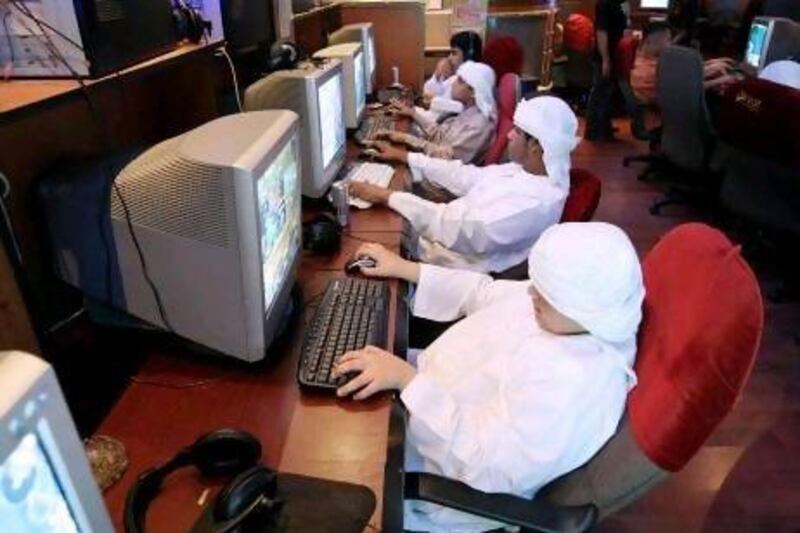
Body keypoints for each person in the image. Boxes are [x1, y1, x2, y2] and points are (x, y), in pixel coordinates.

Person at [332, 222, 645, 532]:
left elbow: (487, 464)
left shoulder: (577, 386)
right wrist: (406, 269)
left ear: (585, 308)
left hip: (433, 472)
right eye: (537, 283)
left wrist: (410, 383)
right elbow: (482, 293)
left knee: (317, 466)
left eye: (546, 294)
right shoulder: (567, 314)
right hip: (413, 399)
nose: (532, 293)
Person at [350, 96, 580, 274]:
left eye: (517, 131)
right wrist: (406, 158)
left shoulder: (535, 204)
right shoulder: (524, 171)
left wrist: (387, 196)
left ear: (536, 147)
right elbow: (464, 175)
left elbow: (454, 228)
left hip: (452, 269)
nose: (509, 135)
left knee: (359, 239)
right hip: (440, 242)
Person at [382, 61, 497, 163]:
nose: (453, 84)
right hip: (434, 163)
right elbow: (442, 136)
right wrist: (413, 114)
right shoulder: (468, 112)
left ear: (474, 92)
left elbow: (445, 157)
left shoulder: (478, 125)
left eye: (460, 81)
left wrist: (407, 139)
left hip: (441, 179)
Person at [586, 0, 627, 141]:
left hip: (610, 54)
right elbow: (601, 32)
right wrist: (605, 59)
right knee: (602, 92)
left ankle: (603, 126)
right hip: (605, 55)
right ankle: (596, 131)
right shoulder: (605, 3)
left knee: (605, 92)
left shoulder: (615, 4)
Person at [423, 31, 483, 100]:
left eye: (454, 53)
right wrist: (438, 74)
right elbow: (427, 92)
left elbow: (429, 97)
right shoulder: (454, 76)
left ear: (469, 56)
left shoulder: (468, 81)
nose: (449, 58)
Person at [630, 21, 672, 106]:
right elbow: (684, 89)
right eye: (668, 40)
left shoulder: (648, 59)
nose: (670, 45)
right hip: (662, 115)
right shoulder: (647, 72)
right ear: (650, 41)